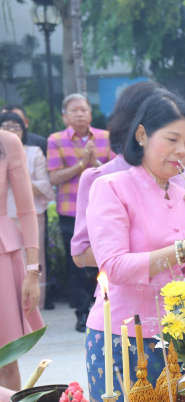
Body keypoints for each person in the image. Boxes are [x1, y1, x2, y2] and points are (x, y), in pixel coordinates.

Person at [85, 90, 185, 402]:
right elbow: (113, 267)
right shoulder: (111, 187)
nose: (182, 151)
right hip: (122, 338)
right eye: (172, 139)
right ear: (142, 135)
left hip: (178, 340)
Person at [72, 81, 166, 269]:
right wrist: (168, 253)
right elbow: (82, 255)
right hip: (125, 285)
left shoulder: (181, 177)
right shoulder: (99, 178)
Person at [47, 93, 114, 332]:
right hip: (70, 212)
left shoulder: (106, 137)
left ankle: (103, 306)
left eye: (83, 110)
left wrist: (94, 163)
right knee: (75, 264)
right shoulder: (55, 140)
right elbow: (55, 176)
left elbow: (117, 172)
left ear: (90, 113)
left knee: (103, 259)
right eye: (74, 110)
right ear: (65, 116)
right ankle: (81, 312)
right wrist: (81, 164)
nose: (79, 114)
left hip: (103, 210)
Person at [0, 130, 44, 390]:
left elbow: (27, 210)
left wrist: (32, 272)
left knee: (5, 360)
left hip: (3, 259)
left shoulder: (7, 142)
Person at [0, 112, 53, 309]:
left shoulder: (19, 147)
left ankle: (37, 302)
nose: (12, 129)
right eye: (7, 125)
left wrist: (18, 182)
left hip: (18, 219)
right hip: (8, 216)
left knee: (32, 258)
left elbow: (42, 187)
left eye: (16, 126)